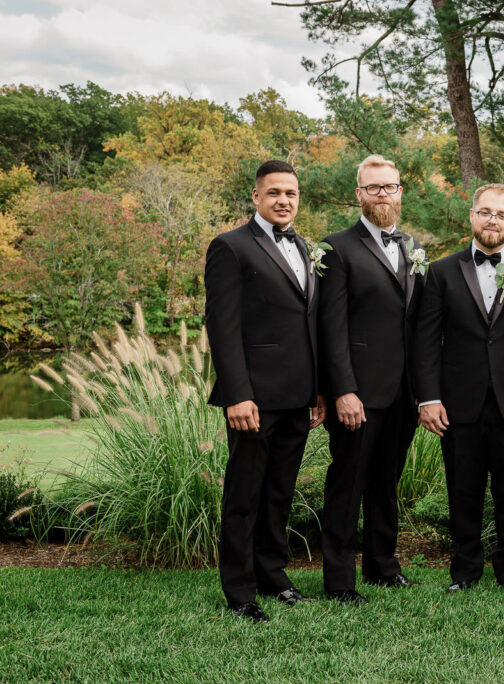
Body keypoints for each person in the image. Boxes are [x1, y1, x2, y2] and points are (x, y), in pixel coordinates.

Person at [415, 183, 504, 592]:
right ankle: (464, 572)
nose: (492, 219)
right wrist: (428, 397)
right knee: (464, 490)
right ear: (472, 216)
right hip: (459, 403)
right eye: (485, 212)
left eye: (501, 214)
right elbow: (427, 339)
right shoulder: (441, 271)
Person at [205, 159, 326, 622]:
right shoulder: (231, 247)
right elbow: (222, 325)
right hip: (253, 399)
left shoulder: (305, 247)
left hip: (298, 398)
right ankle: (239, 592)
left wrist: (317, 391)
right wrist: (237, 394)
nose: (283, 201)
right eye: (274, 192)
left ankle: (273, 576)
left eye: (291, 194)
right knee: (245, 495)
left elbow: (308, 323)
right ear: (255, 196)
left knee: (279, 493)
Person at [317, 155, 426, 604]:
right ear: (358, 194)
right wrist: (343, 390)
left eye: (391, 186)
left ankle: (383, 566)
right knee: (348, 484)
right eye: (374, 187)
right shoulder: (336, 247)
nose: (384, 194)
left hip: (403, 394)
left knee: (386, 484)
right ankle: (340, 581)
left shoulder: (412, 246)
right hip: (358, 393)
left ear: (401, 192)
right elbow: (330, 327)